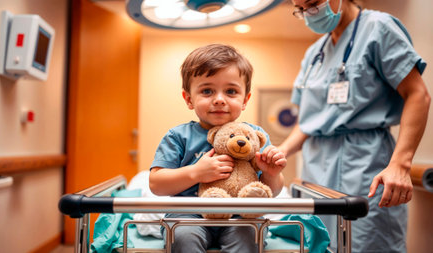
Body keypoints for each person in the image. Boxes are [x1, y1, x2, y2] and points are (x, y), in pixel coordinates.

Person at [278, 0, 430, 252]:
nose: (309, 14)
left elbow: (417, 94)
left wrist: (400, 164)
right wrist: (279, 152)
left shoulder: (378, 28)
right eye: (301, 9)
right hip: (317, 170)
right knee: (320, 244)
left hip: (365, 165)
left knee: (367, 244)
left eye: (313, 4)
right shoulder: (314, 53)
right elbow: (307, 123)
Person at [149, 43, 286, 253]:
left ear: (245, 100)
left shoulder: (255, 137)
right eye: (207, 91)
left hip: (241, 213)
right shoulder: (178, 136)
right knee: (184, 236)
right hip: (188, 213)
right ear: (189, 99)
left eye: (231, 91)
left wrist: (271, 174)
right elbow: (156, 184)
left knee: (249, 235)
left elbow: (272, 191)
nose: (219, 99)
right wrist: (196, 173)